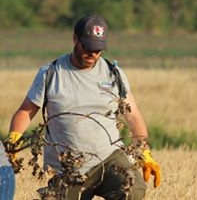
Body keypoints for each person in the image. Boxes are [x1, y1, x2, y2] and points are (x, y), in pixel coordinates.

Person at [5, 14, 160, 200]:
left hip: (109, 158)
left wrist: (144, 151)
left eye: (98, 49)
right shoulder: (51, 73)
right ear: (74, 39)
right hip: (67, 168)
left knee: (133, 189)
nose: (93, 54)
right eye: (88, 47)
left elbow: (133, 116)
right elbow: (25, 111)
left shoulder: (113, 74)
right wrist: (14, 139)